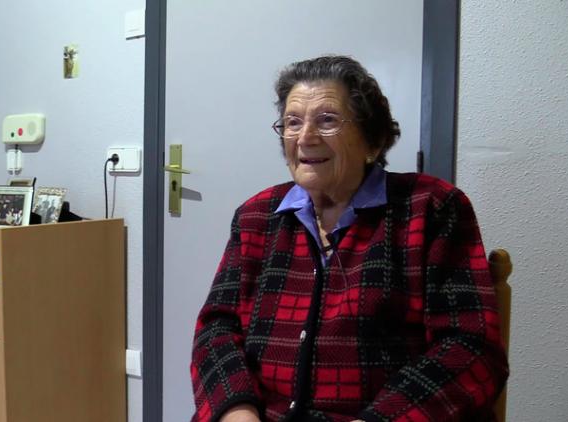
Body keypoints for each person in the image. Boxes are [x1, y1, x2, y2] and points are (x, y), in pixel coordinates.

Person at [190, 56, 509, 422]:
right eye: (293, 122)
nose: (305, 137)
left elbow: (471, 348)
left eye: (327, 120)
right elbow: (216, 330)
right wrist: (237, 411)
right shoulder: (256, 216)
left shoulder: (431, 208)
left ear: (372, 140)